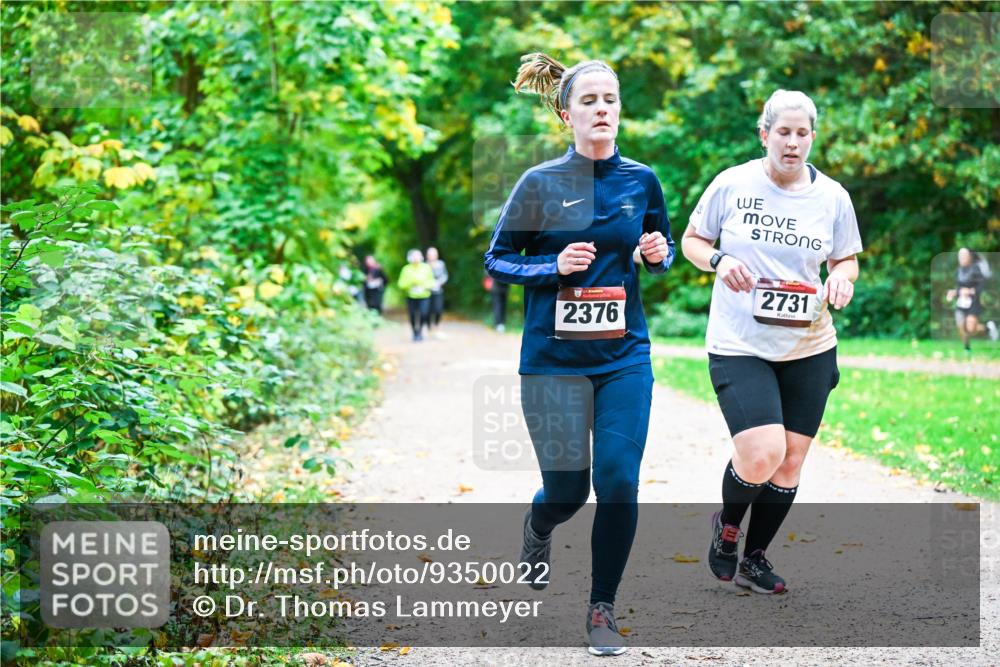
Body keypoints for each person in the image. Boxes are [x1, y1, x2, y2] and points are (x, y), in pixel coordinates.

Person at [484, 52, 673, 656]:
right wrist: (551, 266)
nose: (601, 110)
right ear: (567, 114)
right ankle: (539, 527)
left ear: (620, 111)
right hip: (552, 362)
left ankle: (602, 608)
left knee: (618, 480)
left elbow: (661, 246)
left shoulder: (641, 180)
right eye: (589, 101)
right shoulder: (538, 183)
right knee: (566, 491)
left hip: (623, 357)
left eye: (610, 101)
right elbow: (496, 259)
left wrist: (656, 253)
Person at [682, 89, 862, 595]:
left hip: (810, 344)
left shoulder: (832, 197)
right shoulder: (733, 184)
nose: (792, 142)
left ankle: (754, 558)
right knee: (762, 452)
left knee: (790, 461)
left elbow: (845, 258)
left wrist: (842, 279)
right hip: (741, 343)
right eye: (782, 132)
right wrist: (721, 261)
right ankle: (728, 529)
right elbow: (694, 242)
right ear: (765, 135)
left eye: (802, 133)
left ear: (811, 138)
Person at [946, 248, 997, 353]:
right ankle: (967, 348)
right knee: (961, 325)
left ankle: (988, 328)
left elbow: (982, 286)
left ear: (969, 257)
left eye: (964, 256)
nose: (961, 258)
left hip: (974, 303)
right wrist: (953, 293)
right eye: (960, 256)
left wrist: (970, 291)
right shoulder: (958, 271)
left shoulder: (976, 269)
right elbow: (959, 288)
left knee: (971, 328)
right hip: (961, 302)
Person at [397, 249, 435, 341]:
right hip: (411, 296)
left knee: (424, 313)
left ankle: (420, 331)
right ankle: (415, 332)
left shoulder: (426, 268)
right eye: (414, 256)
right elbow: (401, 284)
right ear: (409, 258)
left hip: (424, 295)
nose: (416, 258)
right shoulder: (406, 269)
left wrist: (424, 286)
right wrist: (411, 283)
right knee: (412, 315)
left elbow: (431, 282)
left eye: (417, 256)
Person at [425, 247, 449, 335]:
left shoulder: (441, 264)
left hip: (438, 290)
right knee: (427, 310)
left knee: (438, 309)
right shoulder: (424, 265)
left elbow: (445, 275)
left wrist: (440, 282)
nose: (432, 256)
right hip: (427, 291)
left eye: (434, 254)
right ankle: (429, 327)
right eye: (430, 254)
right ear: (427, 255)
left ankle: (436, 325)